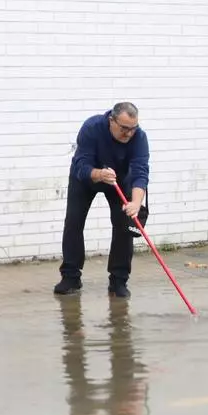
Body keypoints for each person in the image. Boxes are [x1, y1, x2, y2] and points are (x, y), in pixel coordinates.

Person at [55, 102, 149, 299]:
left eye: (133, 128)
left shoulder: (139, 137)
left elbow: (140, 172)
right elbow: (81, 164)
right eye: (124, 128)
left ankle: (118, 281)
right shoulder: (92, 128)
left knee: (124, 226)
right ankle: (71, 277)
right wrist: (98, 174)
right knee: (73, 222)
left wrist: (135, 203)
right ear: (111, 121)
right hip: (86, 178)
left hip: (119, 181)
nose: (129, 133)